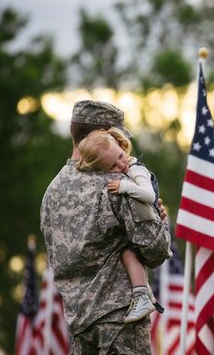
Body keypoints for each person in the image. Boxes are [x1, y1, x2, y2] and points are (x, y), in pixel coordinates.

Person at [41, 100, 171, 354]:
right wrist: (159, 218)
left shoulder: (52, 191)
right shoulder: (117, 183)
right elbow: (156, 249)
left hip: (78, 321)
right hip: (122, 321)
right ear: (103, 132)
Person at [75, 127, 162, 323]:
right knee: (125, 252)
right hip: (142, 219)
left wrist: (125, 187)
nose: (122, 164)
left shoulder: (136, 169)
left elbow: (149, 195)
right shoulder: (113, 167)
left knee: (128, 253)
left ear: (122, 145)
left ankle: (142, 297)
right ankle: (141, 295)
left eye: (121, 156)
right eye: (113, 166)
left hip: (153, 225)